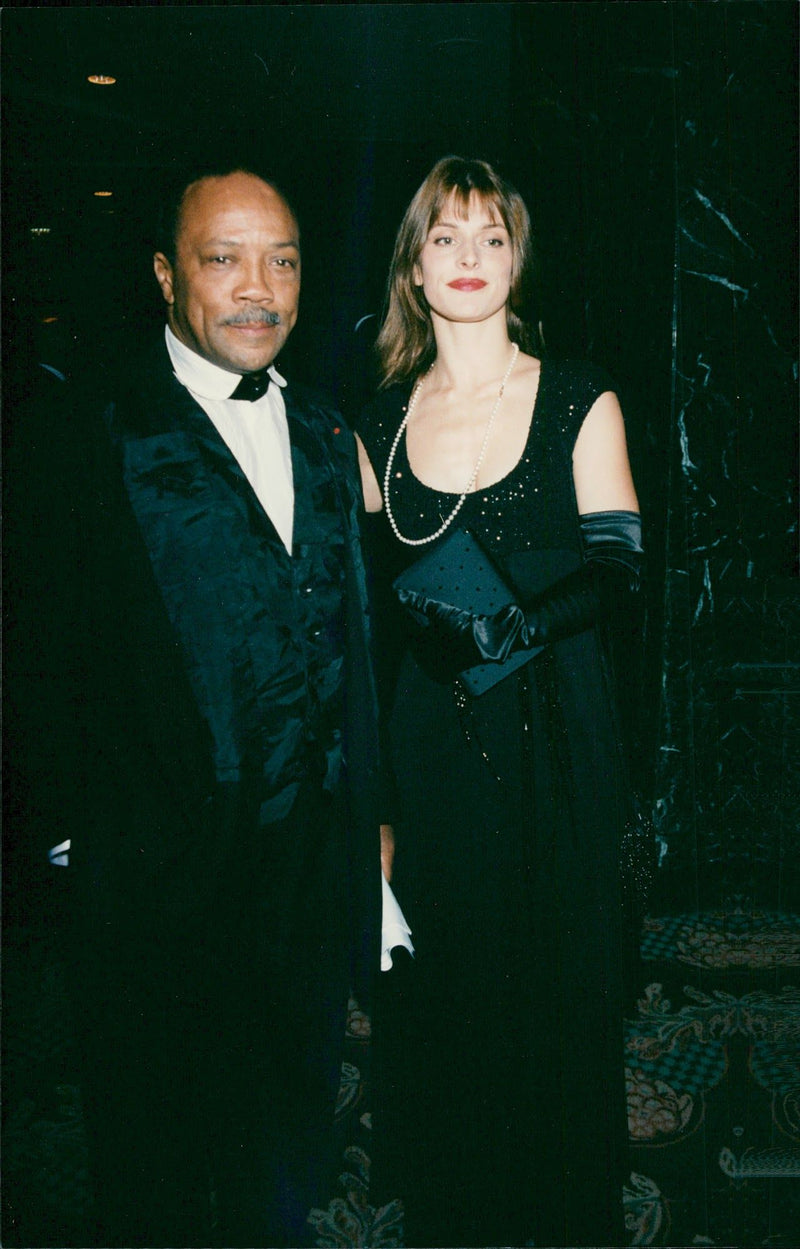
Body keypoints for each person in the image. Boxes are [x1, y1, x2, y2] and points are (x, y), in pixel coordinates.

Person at [51, 165, 382, 1248]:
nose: (258, 287)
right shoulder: (87, 432)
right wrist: (63, 834)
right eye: (222, 257)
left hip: (300, 878)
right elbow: (31, 636)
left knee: (281, 1157)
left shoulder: (331, 436)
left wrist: (367, 820)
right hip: (151, 881)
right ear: (165, 275)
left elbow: (356, 648)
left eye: (281, 260)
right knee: (148, 1171)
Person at [355, 156, 644, 1247]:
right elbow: (376, 612)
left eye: (488, 237)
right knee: (450, 983)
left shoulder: (577, 390)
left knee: (552, 987)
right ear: (414, 267)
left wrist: (512, 625)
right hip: (433, 742)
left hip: (555, 734)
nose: (468, 258)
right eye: (445, 238)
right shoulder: (376, 420)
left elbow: (616, 567)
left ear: (514, 258)